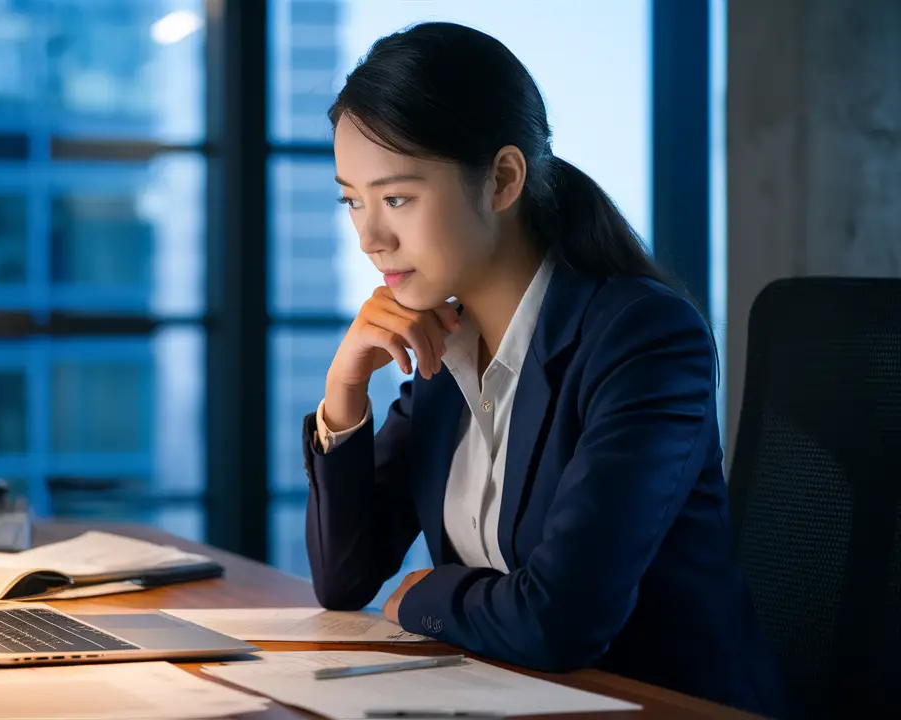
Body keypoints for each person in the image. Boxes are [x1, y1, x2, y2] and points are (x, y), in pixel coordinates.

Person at [303, 22, 785, 717]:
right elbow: (344, 579)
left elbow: (562, 621)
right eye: (353, 199)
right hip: (505, 698)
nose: (370, 236)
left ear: (502, 179)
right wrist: (344, 393)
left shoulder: (642, 338)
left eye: (397, 197)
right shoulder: (446, 351)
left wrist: (426, 592)